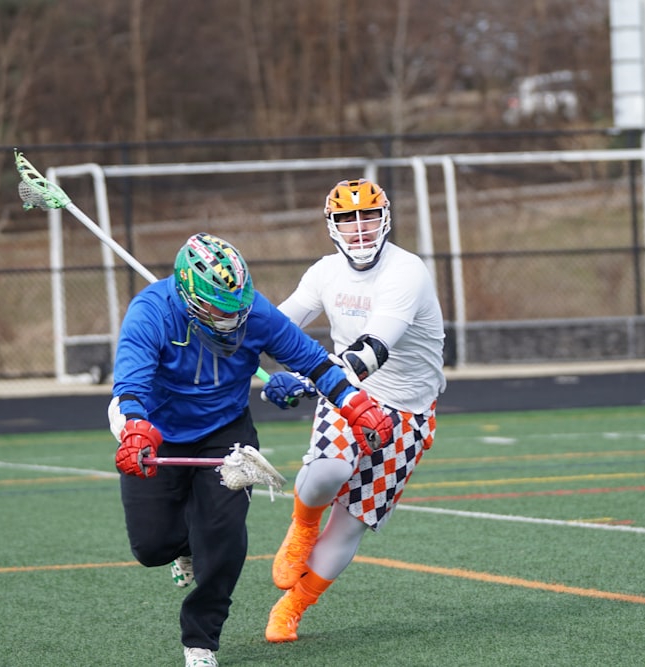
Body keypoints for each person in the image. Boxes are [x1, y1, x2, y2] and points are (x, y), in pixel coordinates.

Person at [108, 232, 393, 667]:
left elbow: (313, 361)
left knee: (222, 539)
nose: (231, 319)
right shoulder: (149, 312)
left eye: (237, 307)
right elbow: (131, 385)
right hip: (155, 429)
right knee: (151, 546)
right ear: (188, 296)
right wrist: (134, 428)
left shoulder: (253, 311)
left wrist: (356, 406)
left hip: (227, 432)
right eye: (219, 309)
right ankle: (180, 548)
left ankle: (200, 642)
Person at [261, 178, 446, 643]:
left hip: (408, 412)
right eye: (347, 218)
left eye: (367, 216)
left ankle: (292, 607)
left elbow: (374, 348)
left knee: (350, 523)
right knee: (328, 470)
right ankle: (302, 528)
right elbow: (274, 326)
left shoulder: (407, 272)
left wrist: (303, 380)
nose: (359, 227)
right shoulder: (324, 273)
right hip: (348, 396)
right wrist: (227, 329)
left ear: (384, 219)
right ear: (332, 225)